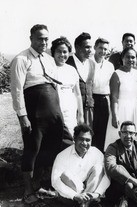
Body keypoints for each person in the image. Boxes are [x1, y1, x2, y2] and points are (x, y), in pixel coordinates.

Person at [10, 24, 71, 206]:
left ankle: (37, 185)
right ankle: (28, 192)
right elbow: (17, 90)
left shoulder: (49, 59)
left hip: (53, 112)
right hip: (34, 113)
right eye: (40, 38)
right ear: (31, 38)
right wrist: (23, 117)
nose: (44, 42)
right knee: (32, 150)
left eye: (46, 39)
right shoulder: (21, 59)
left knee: (50, 149)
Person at [51, 124, 110, 207]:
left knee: (99, 168)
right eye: (81, 139)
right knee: (65, 175)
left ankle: (84, 204)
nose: (84, 143)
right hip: (71, 194)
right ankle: (85, 203)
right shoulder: (62, 156)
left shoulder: (96, 153)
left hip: (90, 191)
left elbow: (107, 176)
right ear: (74, 138)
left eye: (88, 140)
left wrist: (97, 193)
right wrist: (75, 195)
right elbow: (55, 181)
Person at [104, 121, 137, 207]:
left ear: (135, 134)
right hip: (121, 184)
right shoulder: (113, 147)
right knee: (120, 168)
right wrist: (135, 181)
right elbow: (110, 167)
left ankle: (128, 199)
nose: (128, 136)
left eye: (131, 133)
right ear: (119, 133)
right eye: (125, 132)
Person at [104, 47, 137, 150]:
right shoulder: (116, 74)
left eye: (133, 57)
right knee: (119, 135)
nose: (130, 60)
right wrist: (114, 115)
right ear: (122, 58)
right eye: (127, 57)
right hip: (121, 108)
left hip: (135, 107)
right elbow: (114, 96)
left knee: (135, 137)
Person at [51, 37, 84, 136]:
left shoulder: (72, 70)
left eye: (65, 52)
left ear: (69, 53)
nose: (62, 55)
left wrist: (80, 115)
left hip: (70, 112)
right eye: (59, 51)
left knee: (70, 139)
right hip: (54, 112)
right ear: (53, 52)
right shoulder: (49, 69)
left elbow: (78, 94)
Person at [86, 37, 114, 152]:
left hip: (105, 99)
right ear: (95, 48)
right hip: (92, 98)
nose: (103, 51)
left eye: (105, 49)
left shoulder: (109, 65)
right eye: (100, 48)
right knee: (91, 128)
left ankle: (101, 154)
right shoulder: (88, 63)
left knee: (104, 129)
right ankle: (90, 152)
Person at [66, 32, 94, 126]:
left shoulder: (92, 63)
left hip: (89, 110)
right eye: (87, 47)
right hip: (72, 110)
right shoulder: (67, 62)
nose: (90, 50)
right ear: (77, 47)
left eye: (91, 47)